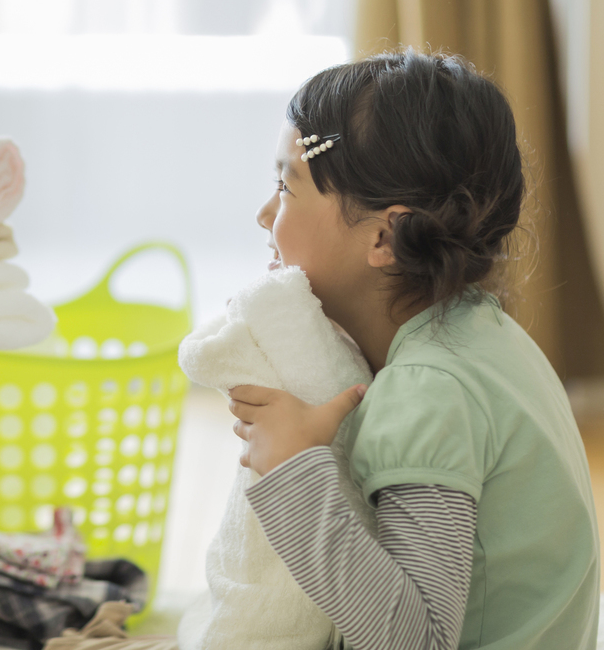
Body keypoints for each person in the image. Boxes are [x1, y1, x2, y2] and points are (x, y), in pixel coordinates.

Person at [229, 50, 600, 648]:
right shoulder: (485, 333)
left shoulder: (427, 388)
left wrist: (295, 469)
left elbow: (415, 640)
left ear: (385, 237)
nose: (264, 213)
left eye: (286, 186)